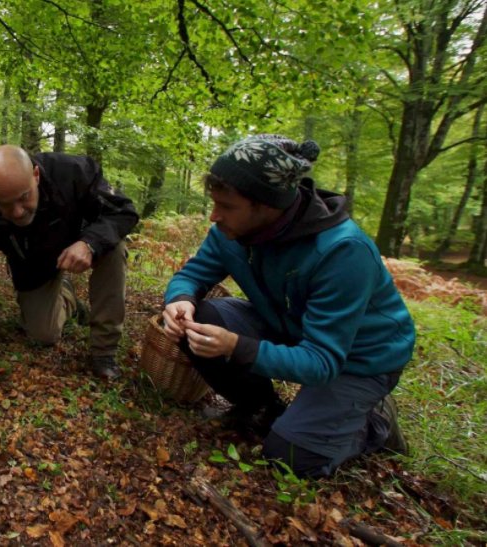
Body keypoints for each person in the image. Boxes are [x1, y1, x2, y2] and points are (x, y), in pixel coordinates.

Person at [161, 134, 415, 478]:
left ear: (267, 205)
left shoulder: (342, 251)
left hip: (359, 359)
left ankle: (374, 421)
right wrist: (180, 300)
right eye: (214, 202)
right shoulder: (230, 230)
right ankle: (261, 407)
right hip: (289, 328)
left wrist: (237, 345)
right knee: (201, 318)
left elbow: (323, 361)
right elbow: (193, 274)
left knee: (290, 458)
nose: (214, 215)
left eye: (227, 206)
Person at [0, 145, 139, 379]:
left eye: (24, 197)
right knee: (43, 335)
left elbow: (124, 211)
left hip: (82, 242)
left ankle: (104, 351)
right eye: (5, 204)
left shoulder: (72, 172)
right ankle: (68, 298)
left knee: (114, 247)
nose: (17, 212)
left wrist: (90, 243)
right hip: (33, 265)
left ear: (35, 175)